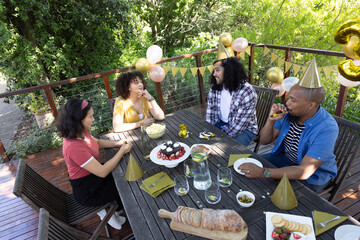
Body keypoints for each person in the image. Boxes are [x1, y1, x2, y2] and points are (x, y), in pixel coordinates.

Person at [238, 59, 338, 193]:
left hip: (313, 176)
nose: (287, 103)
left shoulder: (327, 128)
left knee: (276, 195)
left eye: (293, 100)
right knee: (248, 165)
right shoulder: (289, 113)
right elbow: (264, 140)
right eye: (289, 98)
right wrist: (271, 120)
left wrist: (264, 173)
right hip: (285, 160)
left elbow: (304, 171)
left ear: (311, 105)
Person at [56, 98, 132, 230]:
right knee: (124, 184)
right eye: (90, 117)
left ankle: (114, 209)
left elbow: (96, 142)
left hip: (93, 176)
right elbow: (102, 172)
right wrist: (122, 151)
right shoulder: (73, 146)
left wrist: (117, 143)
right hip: (88, 190)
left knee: (122, 172)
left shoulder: (79, 131)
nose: (93, 119)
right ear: (78, 119)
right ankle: (108, 210)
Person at [205, 57, 258, 146]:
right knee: (203, 142)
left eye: (217, 70)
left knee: (224, 151)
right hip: (221, 124)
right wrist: (207, 130)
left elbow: (239, 126)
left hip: (245, 130)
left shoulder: (246, 91)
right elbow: (211, 113)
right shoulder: (215, 87)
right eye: (213, 71)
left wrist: (219, 140)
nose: (214, 74)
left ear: (228, 72)